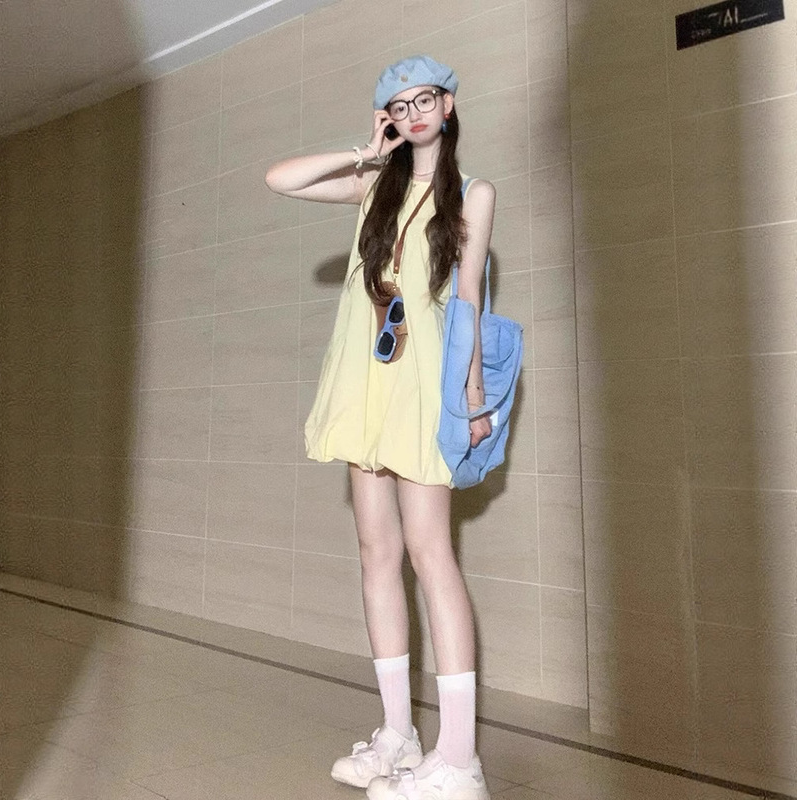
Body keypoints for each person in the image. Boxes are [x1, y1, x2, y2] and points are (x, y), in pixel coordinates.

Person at [265, 55, 495, 800]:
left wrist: (472, 395)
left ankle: (458, 759)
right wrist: (365, 153)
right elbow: (280, 179)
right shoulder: (373, 187)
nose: (414, 113)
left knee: (431, 553)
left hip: (424, 389)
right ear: (387, 119)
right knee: (376, 552)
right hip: (366, 385)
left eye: (425, 100)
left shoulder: (473, 192)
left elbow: (468, 298)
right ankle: (399, 733)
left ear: (448, 105)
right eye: (399, 106)